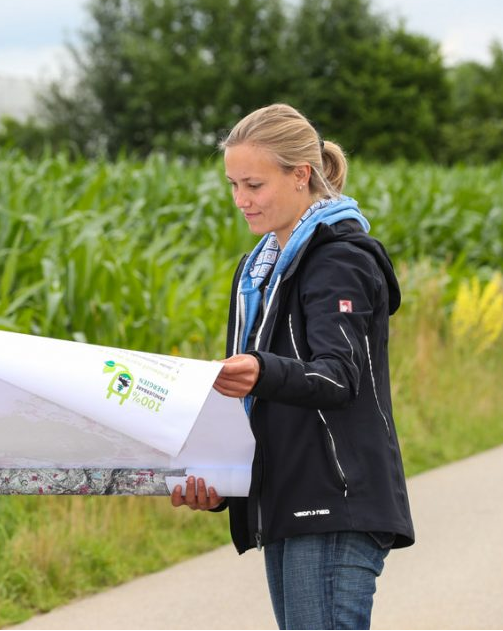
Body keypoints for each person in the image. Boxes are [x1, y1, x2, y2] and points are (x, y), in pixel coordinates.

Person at [170, 103, 415, 630]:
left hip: (333, 502)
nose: (240, 200)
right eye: (233, 184)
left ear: (301, 175)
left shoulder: (340, 259)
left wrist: (260, 368)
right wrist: (218, 479)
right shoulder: (259, 272)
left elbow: (337, 375)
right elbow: (261, 406)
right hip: (286, 503)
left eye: (254, 184)